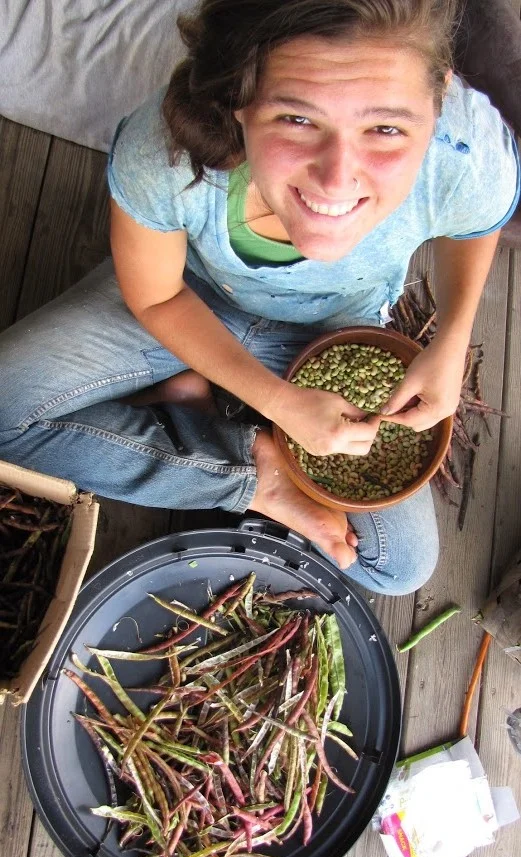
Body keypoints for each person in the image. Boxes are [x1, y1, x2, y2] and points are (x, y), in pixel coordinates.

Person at [0, 0, 518, 595]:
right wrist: (279, 409)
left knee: (399, 569)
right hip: (185, 299)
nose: (336, 179)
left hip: (331, 330)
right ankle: (255, 475)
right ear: (239, 97)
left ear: (440, 98)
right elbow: (157, 298)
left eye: (385, 129)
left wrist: (451, 338)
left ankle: (189, 399)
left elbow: (476, 222)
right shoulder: (164, 150)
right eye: (296, 119)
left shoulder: (467, 147)